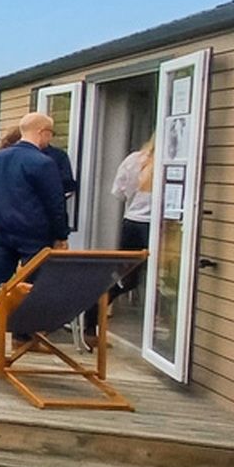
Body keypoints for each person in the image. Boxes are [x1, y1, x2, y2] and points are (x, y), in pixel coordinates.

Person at [0, 111, 71, 312]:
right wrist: (61, 234)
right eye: (51, 133)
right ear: (42, 132)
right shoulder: (43, 163)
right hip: (34, 231)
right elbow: (55, 203)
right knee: (35, 279)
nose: (50, 138)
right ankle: (24, 326)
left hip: (2, 228)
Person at [83, 138, 156, 345]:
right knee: (162, 279)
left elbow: (118, 192)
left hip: (132, 222)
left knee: (124, 277)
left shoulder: (134, 160)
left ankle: (91, 322)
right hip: (157, 225)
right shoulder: (168, 162)